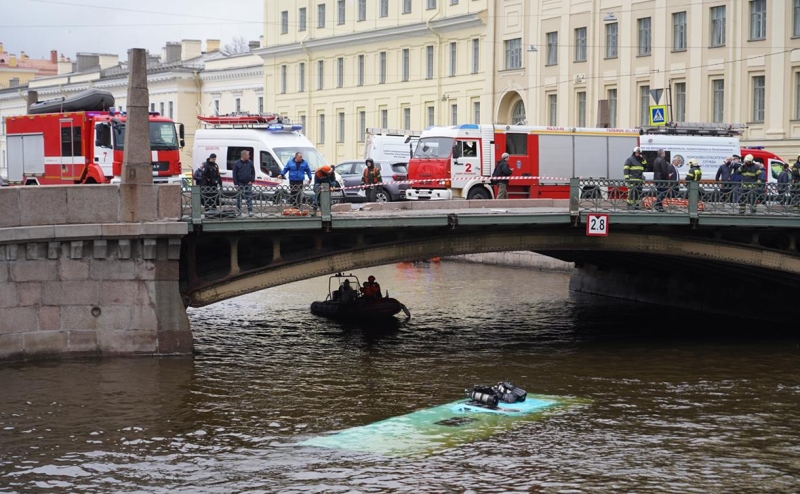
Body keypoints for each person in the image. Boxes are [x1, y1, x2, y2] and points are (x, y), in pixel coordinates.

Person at [232, 149, 255, 216]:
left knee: (249, 197)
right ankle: (239, 211)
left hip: (248, 183)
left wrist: (252, 180)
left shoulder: (250, 163)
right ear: (243, 155)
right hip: (240, 183)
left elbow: (253, 172)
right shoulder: (237, 163)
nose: (249, 156)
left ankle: (250, 211)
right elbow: (234, 174)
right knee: (239, 198)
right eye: (248, 155)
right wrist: (235, 183)